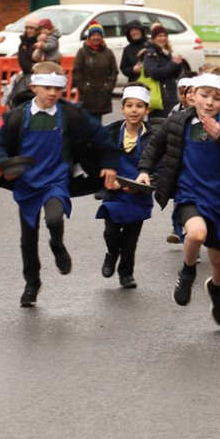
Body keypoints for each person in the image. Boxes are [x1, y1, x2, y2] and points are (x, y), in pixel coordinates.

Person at [0, 61, 119, 307]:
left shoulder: (72, 115)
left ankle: (57, 244)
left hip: (56, 182)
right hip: (26, 185)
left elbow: (103, 140)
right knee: (28, 238)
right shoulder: (17, 116)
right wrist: (1, 162)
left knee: (54, 219)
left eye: (57, 89)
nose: (52, 93)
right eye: (47, 87)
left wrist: (110, 164)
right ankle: (32, 282)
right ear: (34, 86)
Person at [136, 69, 220, 326]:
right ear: (193, 96)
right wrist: (144, 171)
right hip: (190, 194)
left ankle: (217, 289)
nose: (209, 102)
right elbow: (154, 148)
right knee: (196, 234)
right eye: (204, 95)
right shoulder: (177, 122)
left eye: (217, 98)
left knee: (219, 260)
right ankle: (187, 271)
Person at [96, 83, 154, 289]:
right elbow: (97, 158)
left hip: (138, 196)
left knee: (130, 239)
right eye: (129, 105)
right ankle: (111, 253)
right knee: (111, 233)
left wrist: (145, 183)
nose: (134, 110)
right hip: (113, 193)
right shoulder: (110, 132)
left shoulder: (153, 138)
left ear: (147, 110)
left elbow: (160, 166)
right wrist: (104, 176)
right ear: (122, 108)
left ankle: (126, 274)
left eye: (139, 106)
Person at [72, 21, 118, 118]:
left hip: (102, 94)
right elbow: (77, 71)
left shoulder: (108, 53)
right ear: (89, 37)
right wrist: (83, 87)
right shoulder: (82, 52)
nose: (96, 38)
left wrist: (109, 87)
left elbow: (114, 71)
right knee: (85, 123)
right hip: (86, 95)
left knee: (97, 124)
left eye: (98, 35)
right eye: (93, 35)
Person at [143, 24, 185, 119]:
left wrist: (178, 65)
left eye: (164, 36)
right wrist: (173, 64)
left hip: (169, 94)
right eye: (159, 36)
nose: (162, 38)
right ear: (154, 38)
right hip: (159, 97)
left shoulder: (166, 52)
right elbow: (154, 73)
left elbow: (173, 74)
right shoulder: (151, 53)